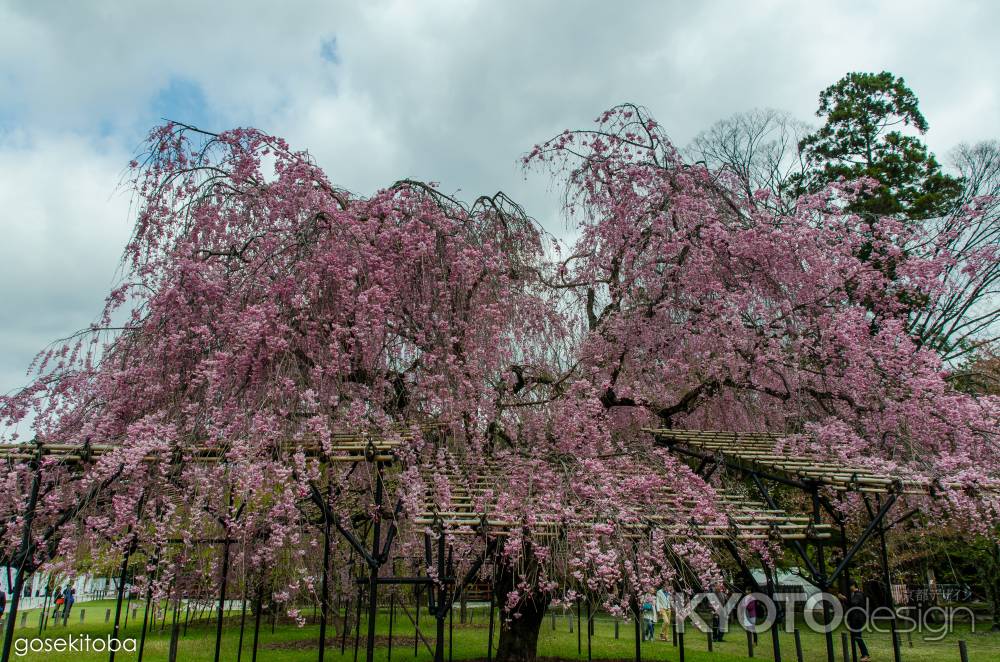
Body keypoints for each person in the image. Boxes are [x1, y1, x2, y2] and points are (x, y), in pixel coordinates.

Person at [844, 582, 871, 662]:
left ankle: (866, 654)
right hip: (854, 618)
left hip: (857, 619)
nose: (848, 588)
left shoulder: (858, 594)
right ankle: (858, 653)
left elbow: (853, 603)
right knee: (854, 637)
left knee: (857, 636)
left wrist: (844, 598)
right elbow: (850, 604)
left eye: (849, 585)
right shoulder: (854, 594)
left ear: (853, 585)